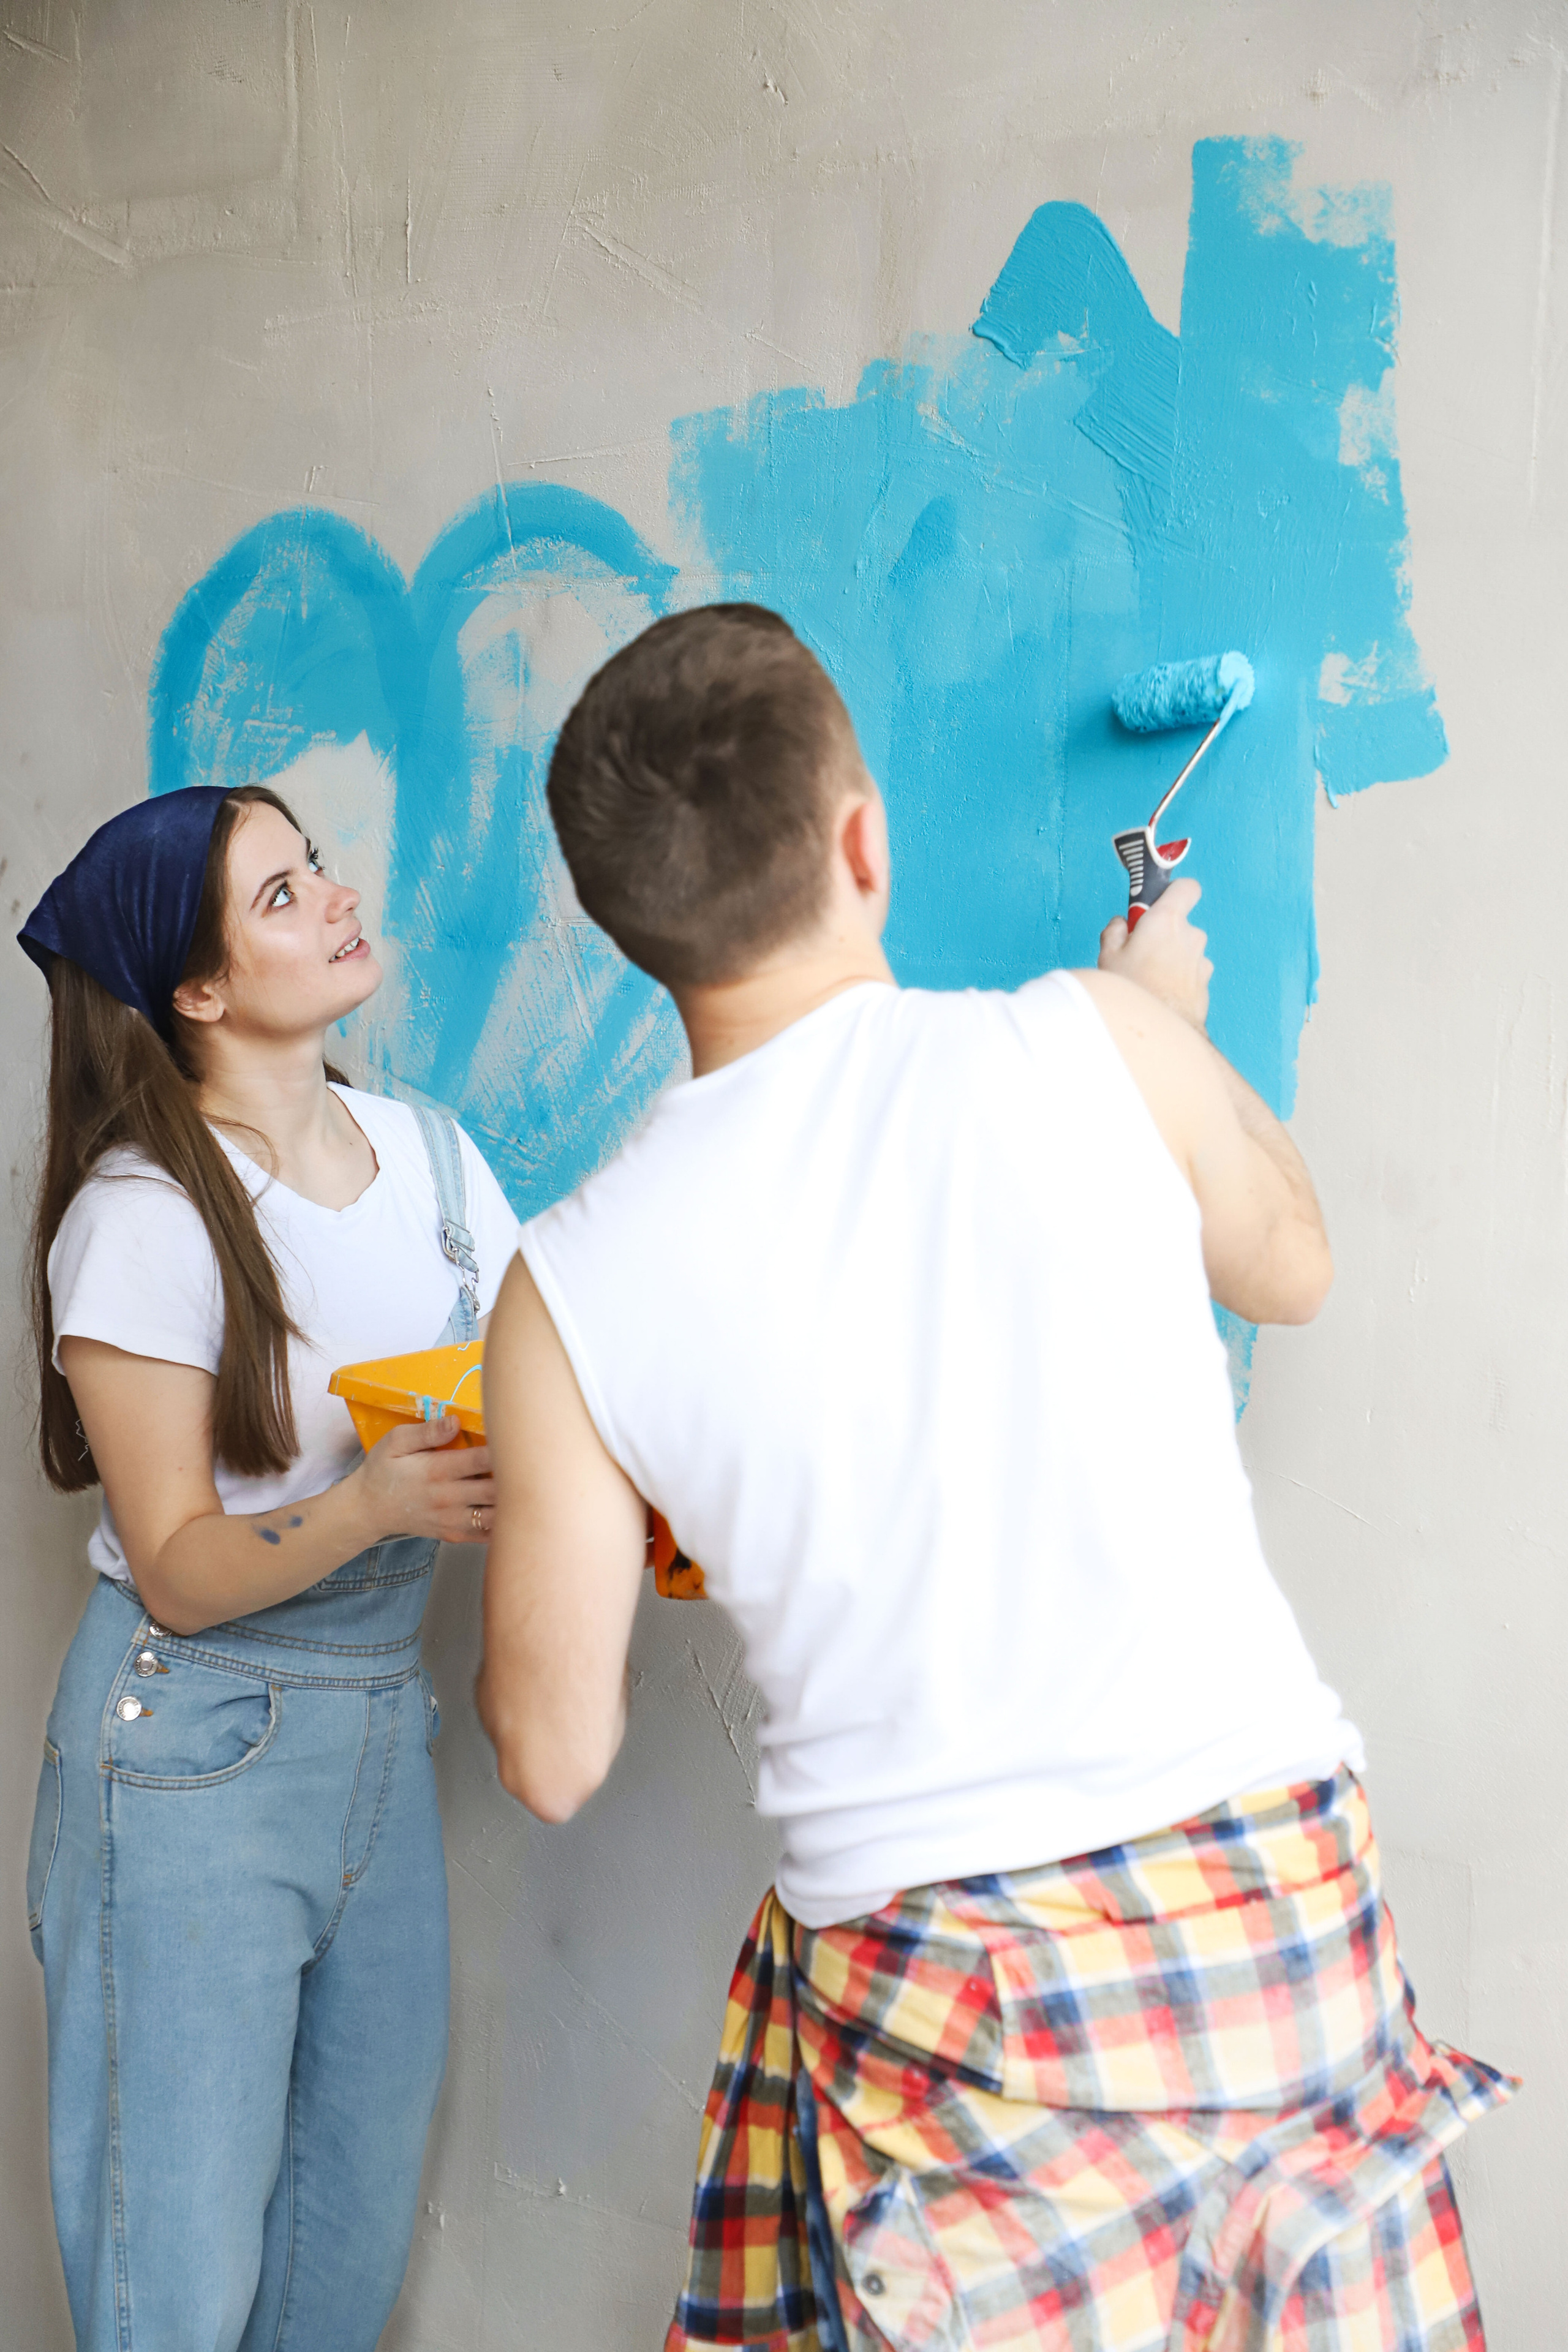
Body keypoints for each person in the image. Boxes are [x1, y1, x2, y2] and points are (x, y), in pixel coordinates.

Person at [475, 603, 1515, 2350]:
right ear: (863, 841)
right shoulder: (1086, 1047)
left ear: (632, 929)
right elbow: (1292, 1264)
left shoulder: (564, 1289)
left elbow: (555, 1756)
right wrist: (1151, 1029)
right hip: (1263, 1918)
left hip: (951, 2006)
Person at [20, 783, 521, 2351]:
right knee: (170, 2292)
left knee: (335, 2263)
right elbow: (171, 1566)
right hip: (190, 1754)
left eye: (315, 869)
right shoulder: (143, 1218)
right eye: (281, 896)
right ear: (199, 990)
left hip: (380, 1730)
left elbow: (554, 1385)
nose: (333, 895)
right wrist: (374, 1507)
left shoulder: (436, 1162)